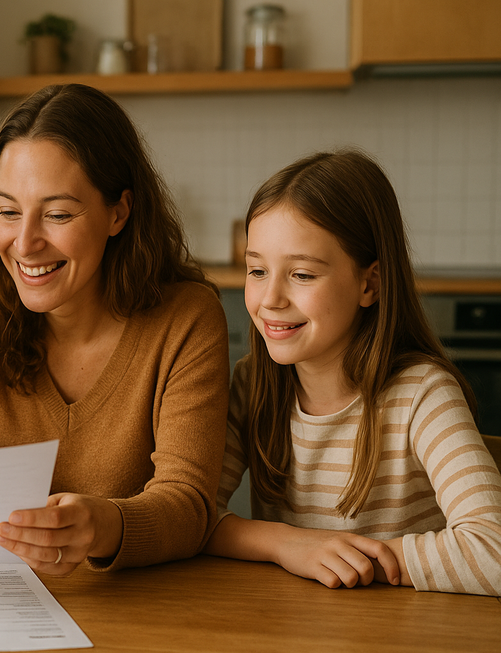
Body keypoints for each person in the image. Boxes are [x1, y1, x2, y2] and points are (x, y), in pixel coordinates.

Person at [0, 83, 229, 574]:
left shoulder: (187, 318)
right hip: (12, 595)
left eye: (57, 214)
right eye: (8, 211)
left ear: (119, 212)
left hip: (146, 602)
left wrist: (102, 524)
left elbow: (190, 506)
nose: (25, 243)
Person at [203, 149, 501, 596]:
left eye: (302, 275)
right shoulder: (253, 384)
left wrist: (351, 560)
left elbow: (493, 549)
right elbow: (190, 516)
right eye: (257, 270)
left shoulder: (423, 394)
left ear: (369, 284)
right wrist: (288, 545)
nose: (270, 299)